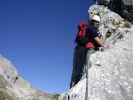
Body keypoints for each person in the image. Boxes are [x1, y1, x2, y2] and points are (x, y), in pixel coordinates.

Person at [70, 15, 107, 88]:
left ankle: (74, 84)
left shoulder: (88, 27)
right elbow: (97, 40)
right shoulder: (91, 28)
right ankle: (76, 85)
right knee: (80, 70)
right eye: (97, 23)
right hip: (83, 50)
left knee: (77, 70)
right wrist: (105, 46)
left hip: (79, 49)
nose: (97, 25)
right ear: (96, 22)